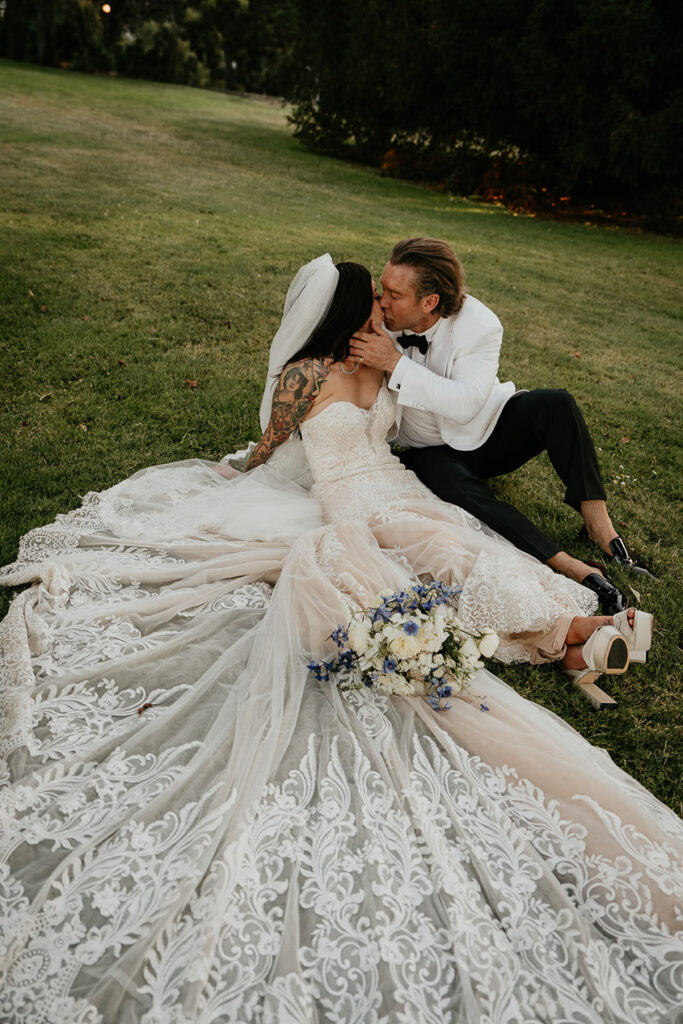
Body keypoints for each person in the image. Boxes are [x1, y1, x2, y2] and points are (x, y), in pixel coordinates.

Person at [0, 255, 678, 1024]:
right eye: (375, 301)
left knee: (458, 548)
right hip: (343, 503)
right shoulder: (304, 373)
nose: (384, 310)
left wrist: (392, 368)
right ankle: (572, 635)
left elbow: (431, 422)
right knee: (433, 556)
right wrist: (242, 475)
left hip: (397, 485)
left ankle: (567, 630)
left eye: (390, 302)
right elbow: (272, 444)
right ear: (356, 308)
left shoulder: (381, 363)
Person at [349, 237, 655, 617]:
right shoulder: (378, 318)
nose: (382, 300)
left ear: (429, 302)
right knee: (447, 481)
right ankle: (562, 561)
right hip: (427, 450)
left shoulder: (480, 324)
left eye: (394, 294)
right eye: (383, 288)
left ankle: (600, 528)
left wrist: (396, 364)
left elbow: (464, 405)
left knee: (556, 404)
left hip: (486, 429)